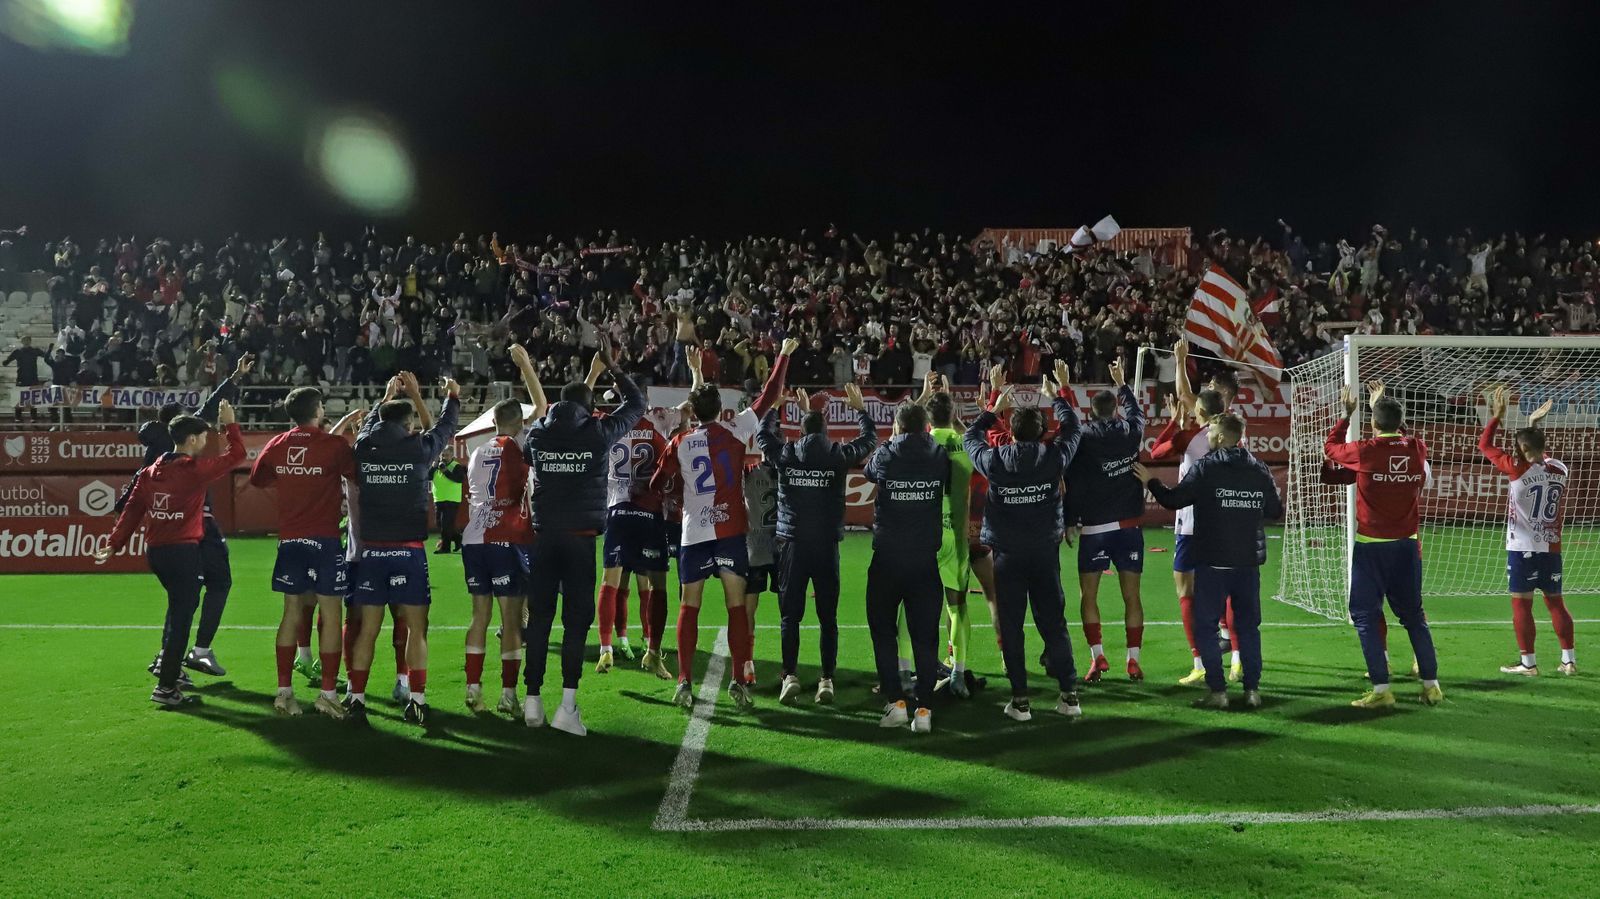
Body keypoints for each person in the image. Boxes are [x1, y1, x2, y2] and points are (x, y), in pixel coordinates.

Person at [651, 340, 794, 713]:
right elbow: (770, 394)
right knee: (736, 609)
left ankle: (684, 680)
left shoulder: (680, 441)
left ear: (693, 412)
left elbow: (658, 484)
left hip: (694, 532)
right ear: (722, 409)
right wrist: (783, 355)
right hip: (730, 531)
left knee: (689, 606)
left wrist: (679, 495)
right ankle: (738, 680)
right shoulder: (735, 430)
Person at [521, 336, 644, 736]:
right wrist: (611, 365)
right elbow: (636, 404)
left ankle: (532, 702)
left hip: (543, 538)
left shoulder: (539, 434)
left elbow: (531, 443)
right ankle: (567, 707)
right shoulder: (597, 433)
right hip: (580, 540)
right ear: (589, 409)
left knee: (539, 620)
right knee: (575, 624)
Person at [97, 402, 246, 706]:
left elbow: (132, 511)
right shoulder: (193, 471)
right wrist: (230, 424)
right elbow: (237, 456)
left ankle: (169, 671)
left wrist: (114, 544)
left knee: (180, 607)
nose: (205, 443)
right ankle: (166, 686)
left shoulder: (151, 471)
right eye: (203, 438)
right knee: (182, 615)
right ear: (191, 439)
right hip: (182, 551)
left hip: (157, 553)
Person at [116, 352, 252, 684]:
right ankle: (197, 652)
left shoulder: (157, 454)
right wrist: (232, 383)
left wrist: (122, 507)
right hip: (196, 525)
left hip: (168, 536)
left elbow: (139, 482)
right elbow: (215, 418)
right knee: (216, 583)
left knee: (183, 597)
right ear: (181, 427)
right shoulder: (181, 448)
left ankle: (168, 659)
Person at [1135, 412, 1282, 709]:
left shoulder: (1206, 468)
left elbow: (1174, 500)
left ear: (1219, 436)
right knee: (1248, 627)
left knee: (1206, 627)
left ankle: (1218, 692)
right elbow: (1274, 510)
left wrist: (1151, 482)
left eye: (1211, 432)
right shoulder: (1259, 469)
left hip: (1214, 561)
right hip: (1247, 562)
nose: (1208, 436)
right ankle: (1252, 691)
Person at [963, 365, 1084, 722]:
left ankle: (1020, 701)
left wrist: (991, 407)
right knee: (1054, 624)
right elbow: (1074, 428)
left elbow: (972, 437)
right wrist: (1059, 392)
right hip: (1045, 555)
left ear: (1011, 435)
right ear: (1044, 433)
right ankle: (1069, 694)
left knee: (1012, 626)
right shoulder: (1054, 457)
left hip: (1007, 557)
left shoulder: (995, 461)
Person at [347, 372, 461, 727]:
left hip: (372, 553)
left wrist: (385, 395)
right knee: (416, 628)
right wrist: (452, 397)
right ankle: (417, 700)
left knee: (367, 629)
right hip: (408, 552)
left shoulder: (364, 447)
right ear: (409, 422)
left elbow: (367, 425)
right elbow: (444, 427)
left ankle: (356, 697)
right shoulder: (418, 447)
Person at [1324, 380, 1444, 709]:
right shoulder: (1417, 448)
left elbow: (1331, 448)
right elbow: (1399, 431)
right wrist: (1384, 408)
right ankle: (1431, 685)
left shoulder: (1365, 451)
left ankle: (1381, 688)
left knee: (1363, 614)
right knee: (1414, 616)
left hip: (1372, 547)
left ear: (1373, 423)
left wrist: (1347, 415)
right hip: (1407, 547)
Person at [756, 383, 877, 705]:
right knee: (828, 618)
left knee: (789, 617)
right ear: (826, 431)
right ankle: (826, 680)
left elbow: (762, 437)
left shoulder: (787, 452)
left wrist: (775, 408)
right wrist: (861, 410)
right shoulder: (837, 455)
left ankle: (790, 675)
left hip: (792, 546)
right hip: (826, 547)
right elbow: (869, 441)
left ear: (800, 429)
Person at [249, 388, 362, 719]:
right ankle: (327, 694)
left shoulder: (278, 443)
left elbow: (258, 479)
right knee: (331, 613)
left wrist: (291, 476)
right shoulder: (332, 446)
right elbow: (355, 474)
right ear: (318, 410)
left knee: (291, 612)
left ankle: (284, 693)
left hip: (290, 541)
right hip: (324, 540)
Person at [863, 401, 949, 732]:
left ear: (898, 426)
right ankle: (924, 710)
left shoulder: (887, 453)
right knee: (925, 638)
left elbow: (870, 471)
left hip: (888, 559)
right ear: (925, 426)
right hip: (924, 562)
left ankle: (896, 703)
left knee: (884, 632)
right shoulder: (938, 454)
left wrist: (892, 439)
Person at [1480, 388, 1575, 676]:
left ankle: (1529, 664)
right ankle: (1568, 660)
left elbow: (1484, 445)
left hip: (1522, 546)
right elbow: (1538, 453)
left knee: (1521, 604)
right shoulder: (1560, 468)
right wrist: (1533, 425)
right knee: (1556, 602)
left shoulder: (1515, 468)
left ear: (1520, 449)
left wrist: (1497, 416)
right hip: (1552, 547)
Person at [593, 345, 675, 679]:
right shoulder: (655, 431)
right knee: (656, 585)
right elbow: (665, 470)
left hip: (616, 510)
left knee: (610, 581)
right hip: (648, 513)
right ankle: (652, 651)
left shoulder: (609, 425)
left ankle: (605, 648)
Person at [1066, 357, 1147, 682]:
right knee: (1132, 597)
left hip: (1096, 528)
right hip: (1128, 526)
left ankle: (1097, 657)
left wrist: (1070, 519)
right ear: (1115, 410)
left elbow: (1073, 478)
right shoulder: (1130, 431)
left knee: (1089, 597)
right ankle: (1133, 660)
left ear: (1092, 412)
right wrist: (1123, 383)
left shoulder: (1085, 437)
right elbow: (1137, 413)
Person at [915, 373, 983, 698]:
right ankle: (957, 674)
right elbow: (978, 446)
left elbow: (900, 432)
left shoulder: (923, 441)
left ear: (928, 417)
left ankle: (918, 669)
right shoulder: (966, 443)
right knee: (957, 608)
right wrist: (958, 422)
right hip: (956, 536)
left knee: (919, 606)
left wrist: (924, 395)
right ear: (953, 414)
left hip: (925, 535)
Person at [741, 453, 780, 686]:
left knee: (748, 610)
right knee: (787, 613)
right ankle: (789, 669)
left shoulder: (748, 472)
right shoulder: (787, 471)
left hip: (754, 546)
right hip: (780, 547)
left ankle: (747, 663)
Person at [430, 444, 466, 553]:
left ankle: (445, 548)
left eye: (446, 455)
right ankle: (458, 538)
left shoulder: (456, 466)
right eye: (442, 455)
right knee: (440, 524)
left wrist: (446, 471)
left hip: (451, 499)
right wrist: (433, 467)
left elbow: (460, 479)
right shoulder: (437, 466)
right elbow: (427, 476)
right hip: (439, 499)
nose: (443, 457)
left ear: (452, 455)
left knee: (446, 524)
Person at [5, 335, 48, 421]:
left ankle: (33, 417)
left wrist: (48, 351)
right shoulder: (17, 351)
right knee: (19, 397)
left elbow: (46, 356)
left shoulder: (35, 350)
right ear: (22, 342)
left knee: (33, 398)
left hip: (33, 378)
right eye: (24, 340)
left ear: (30, 341)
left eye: (28, 340)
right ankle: (17, 417)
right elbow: (6, 362)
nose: (26, 342)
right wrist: (6, 361)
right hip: (21, 378)